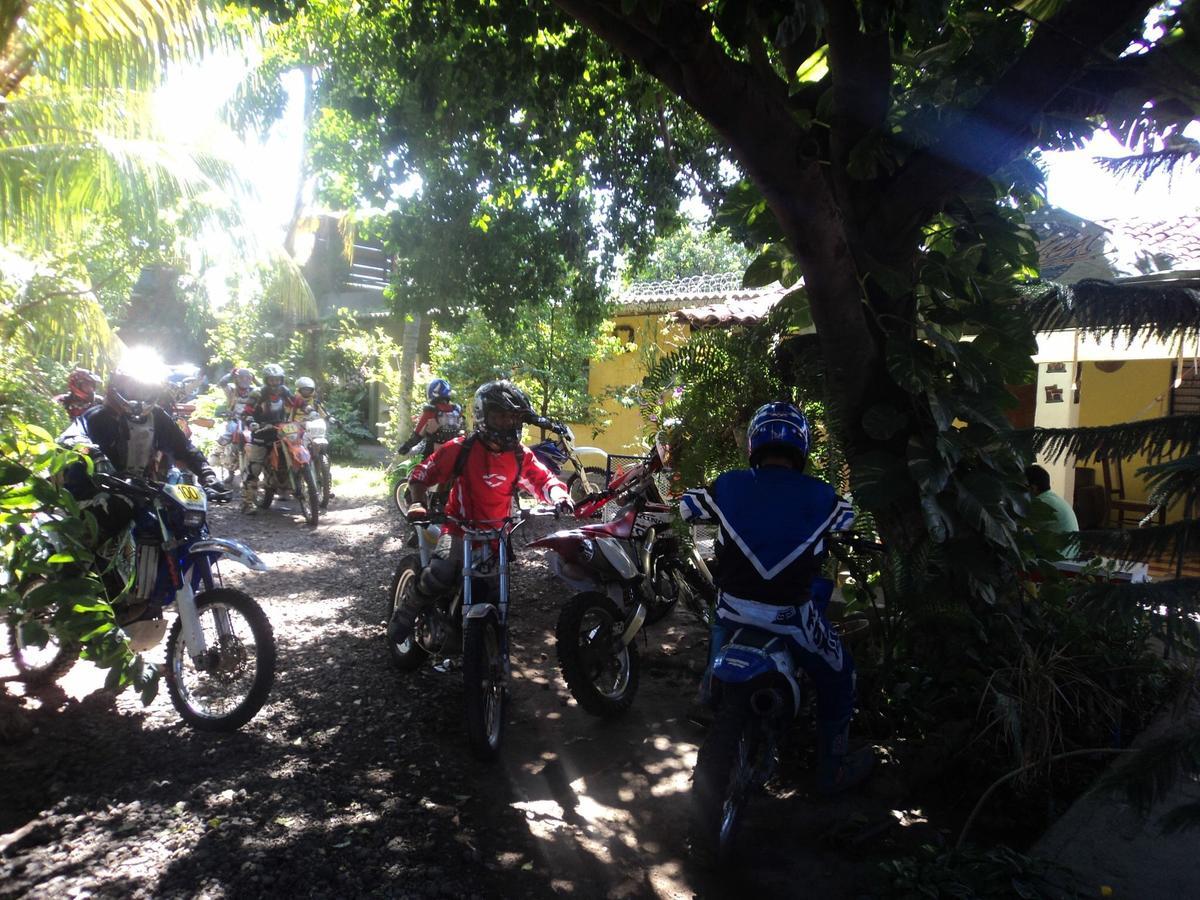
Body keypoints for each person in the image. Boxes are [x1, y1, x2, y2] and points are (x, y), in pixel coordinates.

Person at [680, 401, 873, 796]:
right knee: (840, 676)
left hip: (733, 610)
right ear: (800, 448)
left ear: (754, 444)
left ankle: (708, 692)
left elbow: (686, 507)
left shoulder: (729, 484)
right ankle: (830, 770)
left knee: (719, 618)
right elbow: (849, 519)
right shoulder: (822, 496)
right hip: (792, 618)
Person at [387, 380, 573, 645]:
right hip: (458, 529)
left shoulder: (520, 456)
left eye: (513, 418)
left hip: (497, 535)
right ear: (483, 417)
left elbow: (543, 480)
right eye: (500, 416)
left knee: (495, 593)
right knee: (440, 573)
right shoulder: (460, 449)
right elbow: (421, 475)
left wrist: (559, 496)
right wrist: (418, 503)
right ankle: (407, 610)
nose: (508, 423)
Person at [62, 361, 226, 554]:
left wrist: (207, 474)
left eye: (144, 389)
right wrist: (93, 454)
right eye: (132, 388)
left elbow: (183, 447)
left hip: (141, 491)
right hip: (94, 491)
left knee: (181, 522)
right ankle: (85, 575)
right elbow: (70, 437)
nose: (138, 395)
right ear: (117, 386)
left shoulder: (157, 416)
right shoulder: (98, 416)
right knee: (95, 538)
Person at [239, 363, 294, 513]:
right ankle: (247, 503)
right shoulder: (258, 394)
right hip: (261, 432)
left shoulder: (284, 391)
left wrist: (309, 409)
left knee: (290, 456)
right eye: (271, 380)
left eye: (277, 380)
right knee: (254, 467)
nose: (275, 383)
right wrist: (252, 423)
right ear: (266, 380)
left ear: (281, 380)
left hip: (280, 431)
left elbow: (296, 402)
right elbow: (246, 412)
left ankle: (290, 487)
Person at [397, 378, 464, 459]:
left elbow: (417, 434)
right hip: (455, 452)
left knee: (418, 470)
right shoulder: (457, 409)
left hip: (434, 453)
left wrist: (405, 447)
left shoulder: (431, 410)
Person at [1025, 464, 1081, 558]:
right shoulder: (1052, 499)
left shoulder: (1041, 503)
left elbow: (1021, 526)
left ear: (1033, 488)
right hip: (1071, 555)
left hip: (1058, 559)